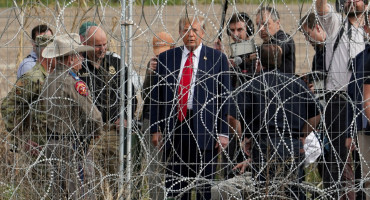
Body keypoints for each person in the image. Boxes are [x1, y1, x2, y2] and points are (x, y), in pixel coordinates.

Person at [150, 15, 231, 199]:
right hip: (176, 126)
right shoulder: (166, 59)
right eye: (186, 30)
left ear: (202, 33)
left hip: (205, 127)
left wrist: (223, 132)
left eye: (195, 30)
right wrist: (155, 128)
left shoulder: (217, 59)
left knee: (204, 187)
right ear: (180, 33)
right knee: (176, 186)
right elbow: (157, 97)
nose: (191, 35)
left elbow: (224, 98)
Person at [229, 44, 321, 199]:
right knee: (293, 191)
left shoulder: (253, 85)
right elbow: (316, 114)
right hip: (292, 144)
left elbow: (232, 117)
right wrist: (303, 135)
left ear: (259, 62)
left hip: (264, 144)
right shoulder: (297, 84)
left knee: (265, 191)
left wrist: (242, 139)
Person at [78, 25, 139, 198]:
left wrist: (126, 117)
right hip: (90, 134)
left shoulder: (115, 64)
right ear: (86, 44)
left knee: (117, 177)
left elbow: (131, 95)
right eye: (97, 45)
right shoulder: (78, 66)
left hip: (113, 131)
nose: (102, 49)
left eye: (105, 44)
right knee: (92, 179)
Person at [315, 0, 367, 198]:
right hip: (339, 100)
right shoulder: (336, 23)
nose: (353, 1)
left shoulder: (367, 32)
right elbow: (321, 8)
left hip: (365, 102)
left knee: (364, 161)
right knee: (337, 161)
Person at [40, 33, 101, 199]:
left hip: (52, 142)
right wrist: (95, 131)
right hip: (72, 145)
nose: (82, 58)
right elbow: (94, 115)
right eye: (79, 55)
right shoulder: (73, 82)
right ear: (69, 60)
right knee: (81, 190)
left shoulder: (49, 79)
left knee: (59, 191)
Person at [1, 34, 54, 155]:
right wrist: (22, 139)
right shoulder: (33, 78)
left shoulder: (49, 76)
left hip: (48, 144)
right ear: (47, 54)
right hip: (35, 147)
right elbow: (7, 105)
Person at [141, 31, 175, 200]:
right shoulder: (152, 66)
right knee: (154, 168)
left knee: (173, 167)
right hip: (151, 120)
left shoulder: (179, 65)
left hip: (172, 121)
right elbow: (146, 96)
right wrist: (150, 74)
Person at [255, 6, 296, 74]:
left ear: (277, 23)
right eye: (258, 25)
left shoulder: (285, 39)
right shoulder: (267, 43)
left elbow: (275, 50)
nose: (261, 29)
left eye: (265, 24)